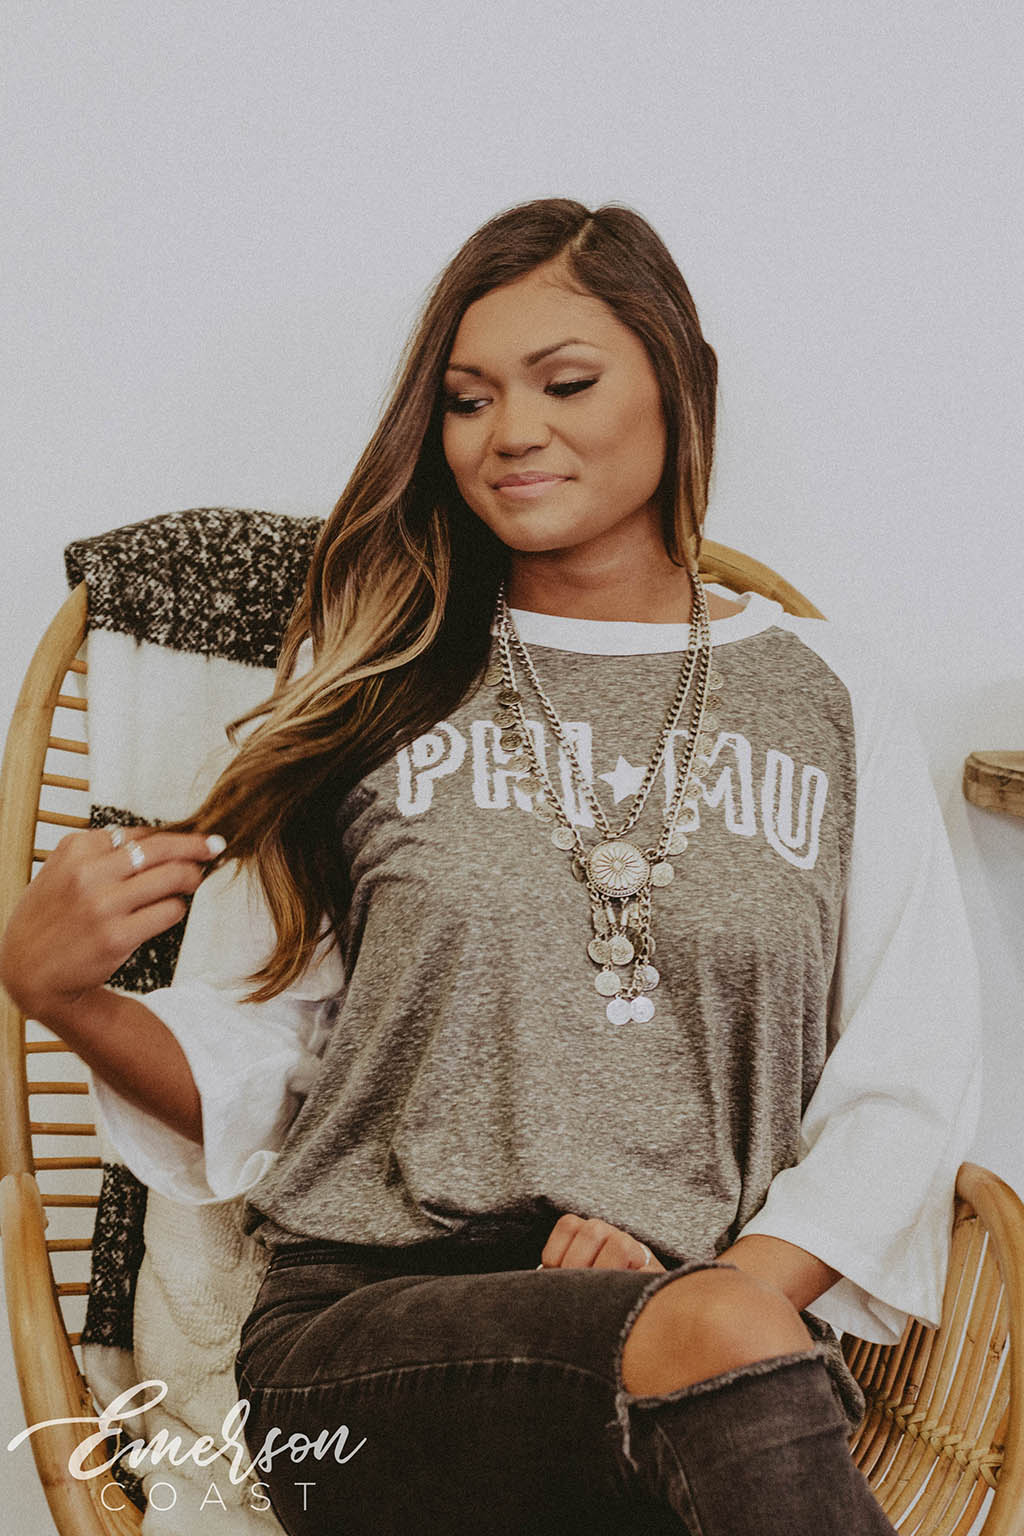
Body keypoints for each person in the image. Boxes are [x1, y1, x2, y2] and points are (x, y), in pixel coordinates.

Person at [0, 198, 981, 1536]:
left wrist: (711, 1294)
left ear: (680, 384)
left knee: (716, 1374)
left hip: (715, 1343)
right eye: (467, 400)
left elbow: (905, 1087)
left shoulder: (830, 691)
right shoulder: (370, 673)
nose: (511, 430)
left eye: (564, 383)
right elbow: (256, 1055)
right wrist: (62, 995)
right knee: (720, 1364)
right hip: (363, 1347)